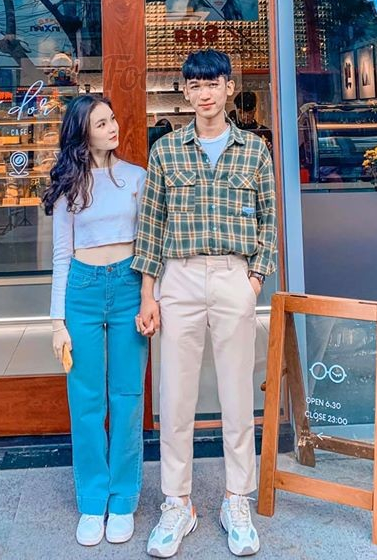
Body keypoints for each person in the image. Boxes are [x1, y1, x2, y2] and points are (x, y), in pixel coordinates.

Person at [132, 50, 277, 558]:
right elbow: (150, 225)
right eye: (195, 85)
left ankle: (237, 498)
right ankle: (177, 502)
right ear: (186, 92)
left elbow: (269, 219)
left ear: (229, 87)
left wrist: (255, 279)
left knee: (237, 393)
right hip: (180, 277)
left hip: (235, 275)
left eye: (213, 83)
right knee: (175, 396)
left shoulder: (254, 151)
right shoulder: (166, 152)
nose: (205, 93)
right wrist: (149, 293)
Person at [44, 94, 148, 547]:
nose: (113, 127)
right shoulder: (69, 185)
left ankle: (123, 498)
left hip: (128, 286)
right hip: (82, 291)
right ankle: (92, 499)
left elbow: (149, 245)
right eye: (102, 122)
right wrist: (57, 322)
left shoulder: (137, 178)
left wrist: (151, 299)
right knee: (86, 399)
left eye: (113, 119)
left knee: (127, 395)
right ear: (83, 132)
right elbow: (61, 255)